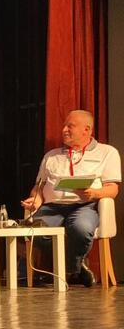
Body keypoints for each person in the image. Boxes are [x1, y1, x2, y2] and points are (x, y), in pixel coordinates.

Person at [21, 109, 120, 287]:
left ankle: (67, 268)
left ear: (86, 130)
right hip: (52, 207)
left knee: (81, 229)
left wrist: (95, 193)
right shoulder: (51, 155)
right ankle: (76, 268)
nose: (64, 130)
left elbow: (112, 189)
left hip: (84, 206)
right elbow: (39, 187)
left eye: (70, 126)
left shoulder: (107, 152)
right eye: (64, 126)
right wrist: (35, 199)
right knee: (33, 231)